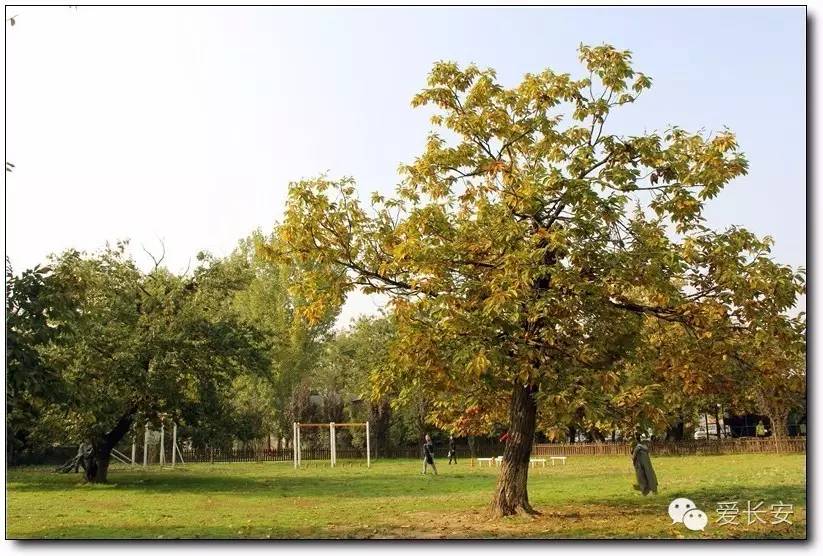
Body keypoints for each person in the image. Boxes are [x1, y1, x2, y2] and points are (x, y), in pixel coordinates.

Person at [631, 432, 658, 496]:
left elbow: (633, 457)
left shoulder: (637, 449)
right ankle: (653, 490)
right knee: (649, 474)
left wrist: (634, 461)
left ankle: (646, 491)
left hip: (640, 463)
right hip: (645, 464)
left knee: (642, 476)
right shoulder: (643, 448)